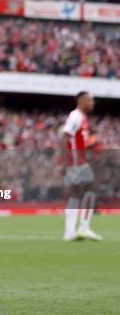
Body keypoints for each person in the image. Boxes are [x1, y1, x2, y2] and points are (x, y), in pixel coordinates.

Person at [60, 91, 101, 241]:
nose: (92, 103)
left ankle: (70, 232)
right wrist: (65, 164)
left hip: (77, 162)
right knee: (90, 190)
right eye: (90, 100)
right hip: (76, 163)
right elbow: (65, 137)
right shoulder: (75, 116)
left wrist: (90, 145)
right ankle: (84, 227)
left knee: (75, 194)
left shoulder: (81, 118)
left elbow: (76, 141)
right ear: (82, 100)